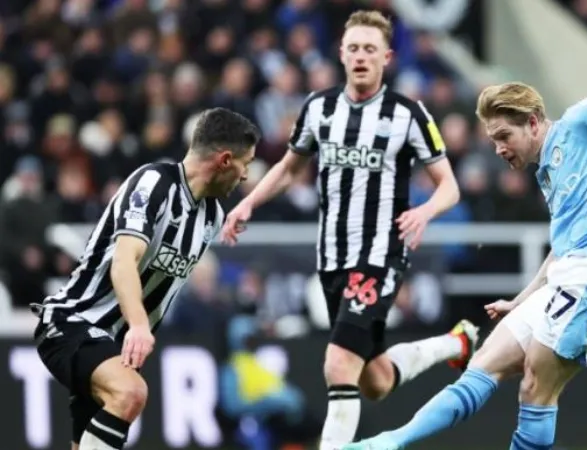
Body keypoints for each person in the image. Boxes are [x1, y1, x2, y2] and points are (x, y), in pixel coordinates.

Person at [344, 81, 587, 450]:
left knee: (535, 385)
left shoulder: (577, 125)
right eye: (493, 140)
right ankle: (388, 443)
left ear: (533, 122)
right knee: (485, 362)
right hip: (573, 271)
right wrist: (521, 300)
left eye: (504, 136)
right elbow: (562, 248)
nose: (498, 148)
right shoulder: (546, 173)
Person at [220, 10, 478, 450]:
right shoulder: (318, 108)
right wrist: (247, 202)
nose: (361, 57)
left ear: (387, 57)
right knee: (374, 380)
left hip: (380, 256)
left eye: (370, 49)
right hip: (332, 259)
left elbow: (449, 187)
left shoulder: (408, 114)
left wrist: (424, 212)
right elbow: (289, 168)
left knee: (339, 363)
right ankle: (455, 345)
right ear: (341, 54)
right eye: (354, 48)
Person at [30, 107, 260, 450]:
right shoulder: (153, 183)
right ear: (225, 160)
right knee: (131, 393)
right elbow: (124, 261)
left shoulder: (211, 218)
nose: (245, 175)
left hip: (114, 346)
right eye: (246, 163)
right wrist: (138, 325)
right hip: (74, 321)